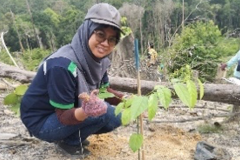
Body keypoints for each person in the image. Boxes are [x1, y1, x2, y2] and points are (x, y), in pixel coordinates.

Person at [20, 3, 125, 157]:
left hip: (67, 111)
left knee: (118, 115)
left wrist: (129, 102)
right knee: (102, 112)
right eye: (100, 34)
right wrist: (87, 111)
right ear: (87, 30)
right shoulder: (62, 65)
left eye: (112, 39)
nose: (105, 43)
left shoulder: (100, 61)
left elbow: (104, 92)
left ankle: (72, 135)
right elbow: (63, 115)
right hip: (42, 121)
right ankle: (68, 143)